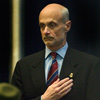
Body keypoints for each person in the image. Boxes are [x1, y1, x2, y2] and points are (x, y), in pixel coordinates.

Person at [11, 3, 100, 100]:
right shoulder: (24, 66)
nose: (45, 31)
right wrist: (44, 99)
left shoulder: (90, 65)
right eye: (42, 26)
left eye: (51, 25)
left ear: (67, 26)